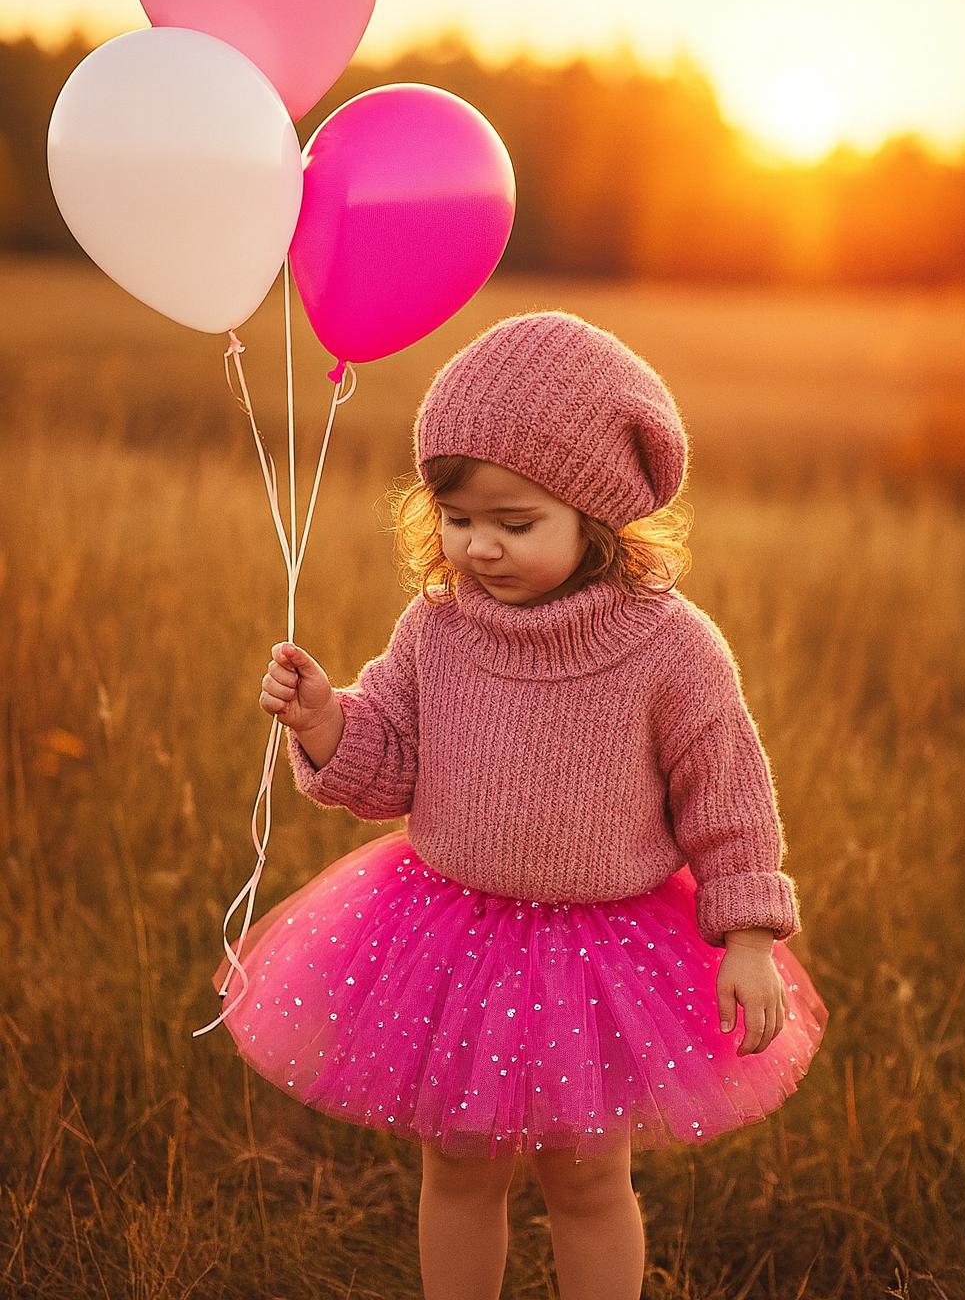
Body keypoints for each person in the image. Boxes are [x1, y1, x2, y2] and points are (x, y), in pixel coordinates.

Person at [213, 309, 829, 1300]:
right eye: (457, 520)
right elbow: (390, 762)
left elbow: (729, 800)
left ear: (595, 516)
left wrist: (749, 938)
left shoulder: (670, 649)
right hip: (453, 935)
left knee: (587, 1176)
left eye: (513, 522)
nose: (479, 548)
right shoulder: (437, 626)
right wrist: (327, 719)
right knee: (457, 1163)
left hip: (605, 951)